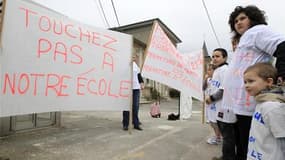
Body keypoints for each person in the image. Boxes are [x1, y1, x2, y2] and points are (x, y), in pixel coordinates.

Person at [220, 5, 285, 160]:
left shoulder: (258, 31)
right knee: (241, 145)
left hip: (249, 102)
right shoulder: (245, 39)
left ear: (253, 19)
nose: (238, 22)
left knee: (250, 145)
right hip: (238, 104)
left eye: (243, 18)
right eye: (235, 21)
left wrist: (282, 75)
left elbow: (282, 46)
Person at [243, 62, 285, 160]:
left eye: (251, 81)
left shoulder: (273, 107)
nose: (246, 85)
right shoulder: (260, 102)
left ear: (269, 82)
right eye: (245, 82)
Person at [122, 54, 144, 131]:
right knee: (126, 106)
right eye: (132, 57)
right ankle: (125, 124)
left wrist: (141, 83)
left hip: (136, 88)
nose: (134, 58)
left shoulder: (136, 66)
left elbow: (139, 76)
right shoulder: (124, 64)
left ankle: (136, 124)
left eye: (135, 57)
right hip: (127, 88)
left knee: (135, 106)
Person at [203, 63, 222, 145]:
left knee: (215, 122)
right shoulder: (208, 79)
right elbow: (203, 88)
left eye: (210, 70)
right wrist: (205, 79)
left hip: (215, 103)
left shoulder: (218, 79)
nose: (208, 71)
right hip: (209, 104)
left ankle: (218, 137)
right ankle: (217, 136)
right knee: (211, 121)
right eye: (208, 70)